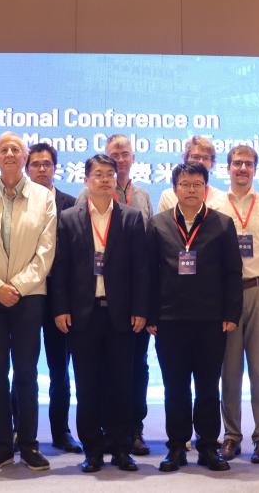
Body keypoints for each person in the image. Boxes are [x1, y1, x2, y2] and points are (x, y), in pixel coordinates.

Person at [0, 132, 57, 472]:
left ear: (25, 156)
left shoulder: (44, 198)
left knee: (27, 372)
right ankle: (2, 445)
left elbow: (46, 251)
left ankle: (28, 444)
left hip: (29, 296)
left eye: (16, 149)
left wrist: (16, 286)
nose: (10, 153)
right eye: (4, 149)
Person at [51, 154, 149, 472]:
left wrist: (140, 309)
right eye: (98, 174)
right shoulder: (69, 218)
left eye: (110, 174)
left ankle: (121, 449)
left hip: (121, 315)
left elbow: (141, 269)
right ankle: (92, 450)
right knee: (88, 385)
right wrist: (61, 308)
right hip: (83, 315)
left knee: (122, 384)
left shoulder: (131, 218)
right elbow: (61, 268)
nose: (105, 179)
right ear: (86, 180)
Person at [148, 162, 242, 472]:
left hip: (210, 320)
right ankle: (176, 447)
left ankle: (208, 447)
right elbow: (149, 273)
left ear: (205, 188)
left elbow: (233, 272)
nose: (191, 190)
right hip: (169, 319)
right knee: (175, 387)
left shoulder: (222, 224)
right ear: (174, 188)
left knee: (207, 387)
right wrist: (151, 314)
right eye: (185, 184)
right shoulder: (158, 224)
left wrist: (231, 313)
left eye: (197, 184)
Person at [77, 133, 154, 455]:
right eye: (114, 156)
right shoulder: (82, 202)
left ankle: (131, 433)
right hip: (90, 306)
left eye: (124, 155)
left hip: (127, 305)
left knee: (132, 372)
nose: (119, 161)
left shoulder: (141, 199)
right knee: (94, 377)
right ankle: (98, 441)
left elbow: (145, 259)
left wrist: (143, 306)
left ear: (132, 158)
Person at [208, 144, 259, 464]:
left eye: (248, 164)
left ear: (255, 168)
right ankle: (231, 436)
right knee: (230, 369)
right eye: (237, 163)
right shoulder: (214, 204)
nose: (242, 168)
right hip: (225, 295)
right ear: (228, 168)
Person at [24, 142, 81, 454]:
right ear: (27, 169)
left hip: (61, 300)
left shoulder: (70, 205)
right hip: (27, 295)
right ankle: (21, 431)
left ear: (55, 168)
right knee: (24, 368)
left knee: (60, 370)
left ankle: (61, 432)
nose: (42, 169)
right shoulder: (18, 202)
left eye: (47, 164)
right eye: (35, 164)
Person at [156, 135, 224, 213]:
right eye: (196, 157)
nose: (201, 162)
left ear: (211, 162)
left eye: (205, 158)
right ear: (186, 159)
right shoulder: (168, 196)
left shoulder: (220, 198)